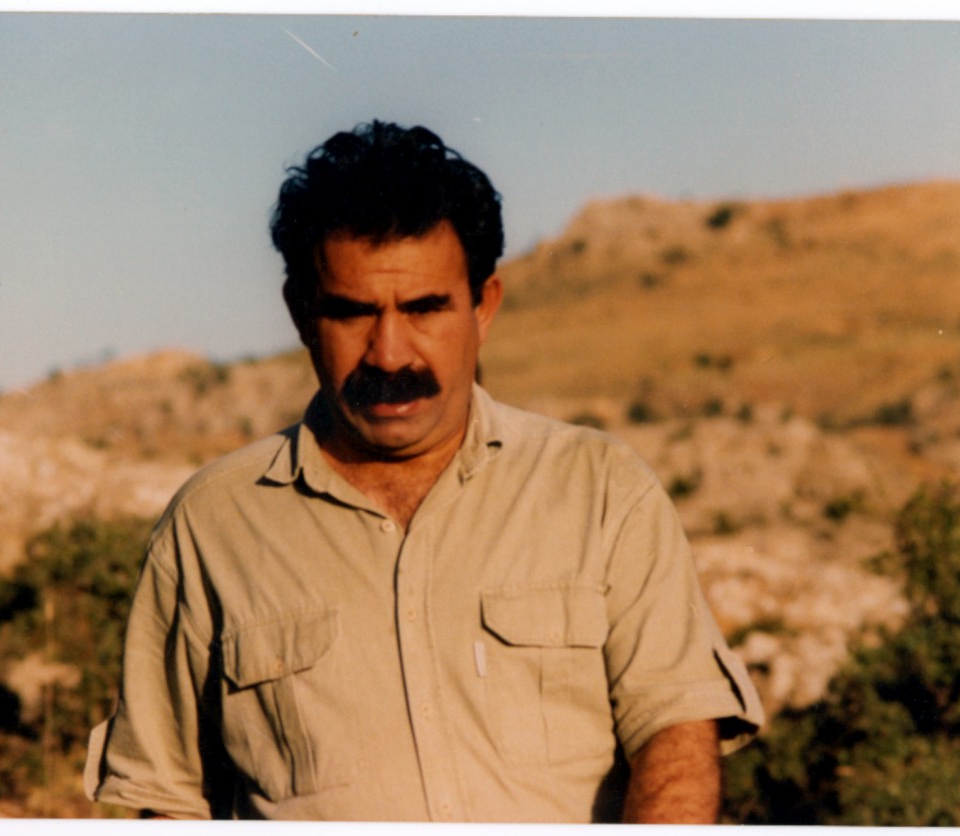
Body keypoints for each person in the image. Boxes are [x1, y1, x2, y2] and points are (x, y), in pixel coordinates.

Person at [84, 120, 764, 823]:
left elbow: (676, 730)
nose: (389, 353)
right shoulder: (211, 526)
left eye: (424, 309)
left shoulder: (601, 489)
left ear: (483, 307)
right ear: (302, 314)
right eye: (353, 313)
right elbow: (165, 799)